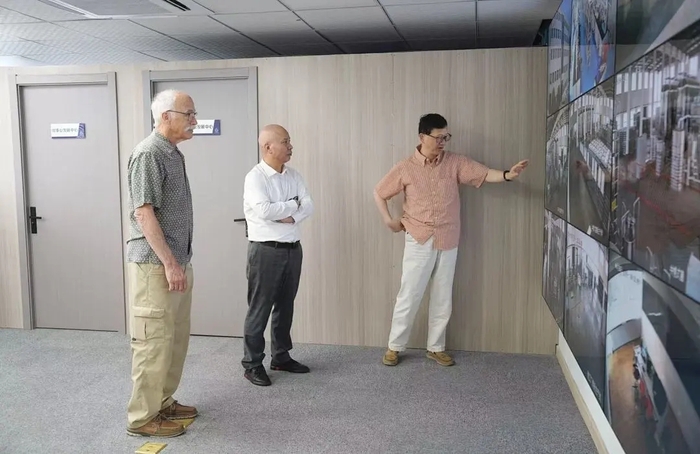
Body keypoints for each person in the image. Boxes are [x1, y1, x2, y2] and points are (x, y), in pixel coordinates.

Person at [374, 113, 528, 367]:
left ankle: (436, 348)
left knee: (443, 295)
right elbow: (379, 192)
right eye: (438, 137)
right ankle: (395, 346)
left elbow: (483, 173)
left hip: (448, 238)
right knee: (409, 294)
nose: (443, 142)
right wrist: (389, 220)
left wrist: (507, 175)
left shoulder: (455, 162)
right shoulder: (405, 167)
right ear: (422, 137)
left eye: (446, 137)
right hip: (418, 238)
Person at [125, 89, 199, 437]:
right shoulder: (148, 154)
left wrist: (178, 263)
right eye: (189, 114)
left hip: (177, 263)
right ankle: (142, 417)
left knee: (174, 338)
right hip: (155, 267)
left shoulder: (173, 153)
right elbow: (144, 214)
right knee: (153, 341)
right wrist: (169, 263)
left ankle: (163, 400)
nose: (194, 121)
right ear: (166, 116)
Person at [241, 124, 314, 386]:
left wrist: (287, 213)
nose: (290, 146)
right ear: (268, 147)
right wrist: (293, 205)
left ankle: (281, 357)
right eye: (285, 141)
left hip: (293, 250)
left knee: (286, 306)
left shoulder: (294, 175)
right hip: (265, 252)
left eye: (289, 141)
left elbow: (309, 206)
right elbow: (264, 211)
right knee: (260, 308)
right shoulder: (255, 178)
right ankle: (252, 363)